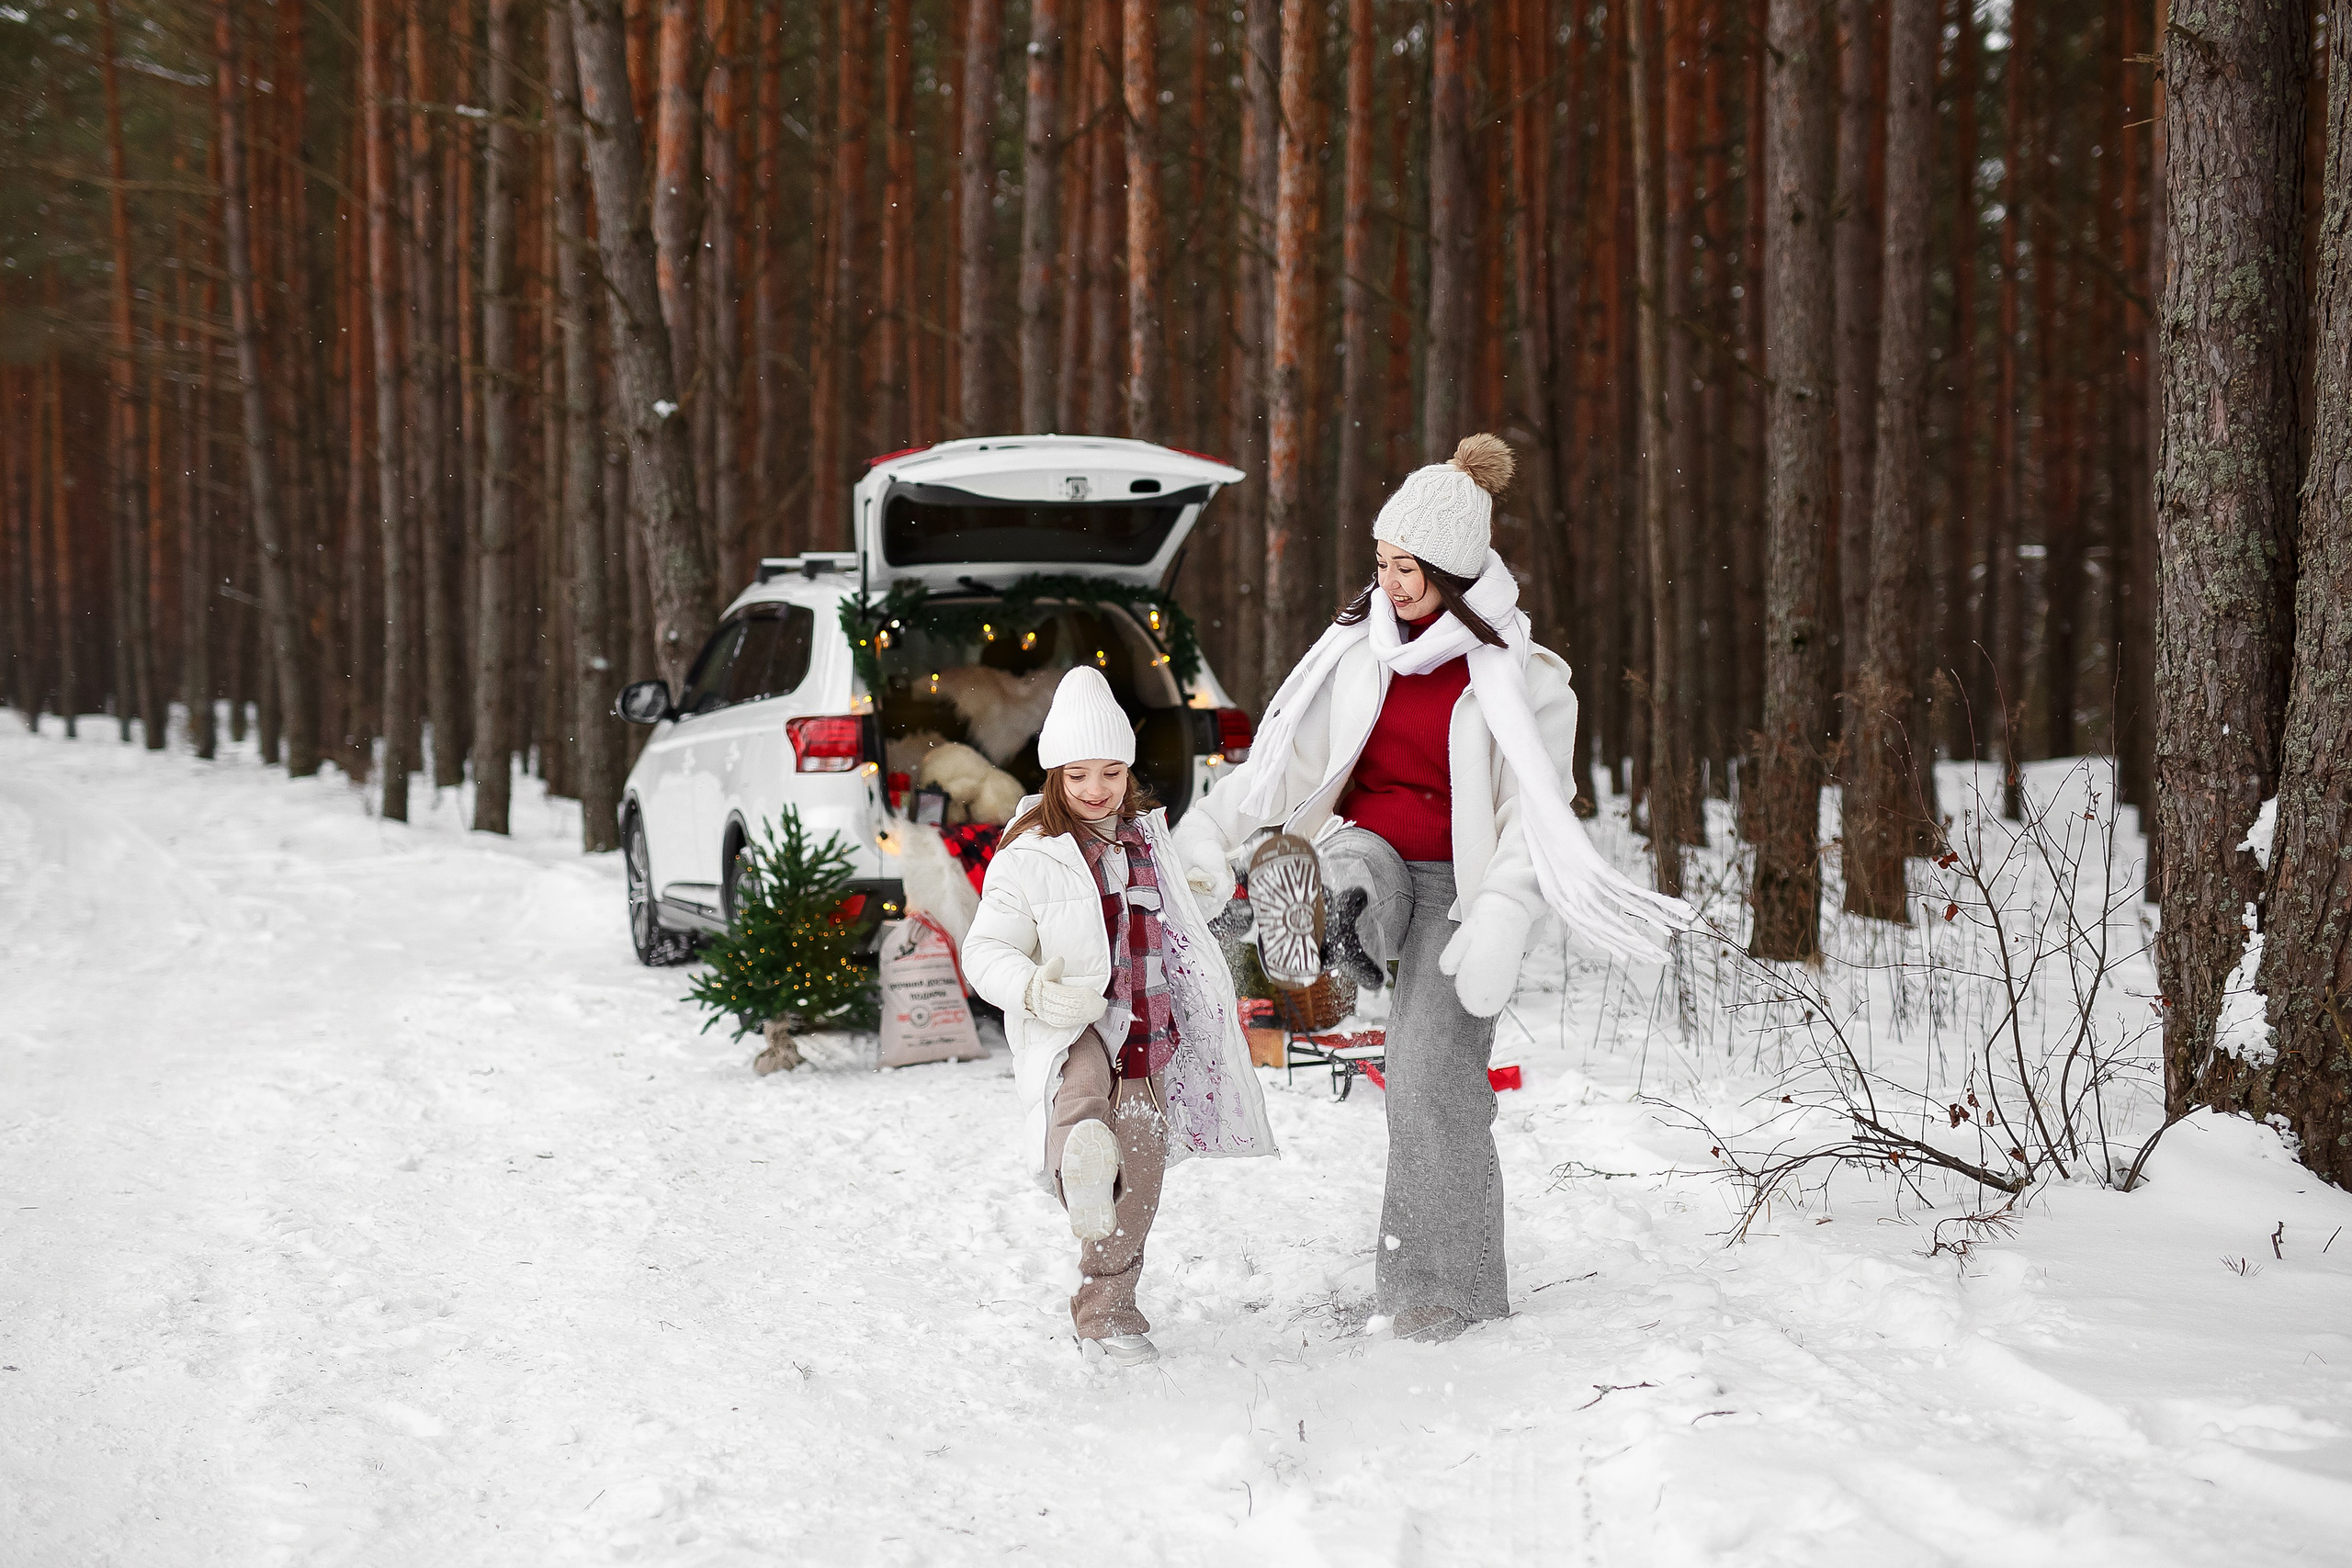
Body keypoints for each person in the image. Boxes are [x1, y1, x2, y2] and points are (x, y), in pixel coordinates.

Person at [1172, 434, 1691, 1343]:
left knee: (1426, 1081)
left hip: (1464, 882)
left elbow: (1537, 817)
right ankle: (1321, 941)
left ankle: (1441, 1289)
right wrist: (1210, 837)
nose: (1389, 583)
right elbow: (1280, 767)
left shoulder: (1527, 682)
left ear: (1452, 569)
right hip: (1367, 850)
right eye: (1380, 563)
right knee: (1338, 868)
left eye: (1407, 567)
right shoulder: (1359, 655)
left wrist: (1501, 914)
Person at [963, 666, 1277, 1369]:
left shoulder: (1148, 840)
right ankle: (1079, 1168)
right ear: (1054, 775)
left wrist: (1205, 886)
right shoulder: (1028, 853)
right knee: (1079, 1110)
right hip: (1075, 1021)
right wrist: (1037, 991)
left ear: (1128, 769)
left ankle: (1107, 1308)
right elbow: (983, 949)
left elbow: (1187, 919)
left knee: (1140, 1170)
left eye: (1110, 772)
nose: (1095, 790)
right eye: (1078, 775)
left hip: (1145, 1027)